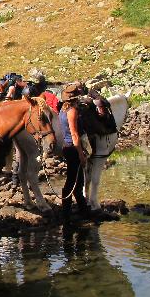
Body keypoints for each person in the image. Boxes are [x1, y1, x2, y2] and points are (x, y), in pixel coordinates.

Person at [59, 83, 89, 216]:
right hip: (72, 147)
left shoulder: (62, 110)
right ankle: (70, 211)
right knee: (74, 179)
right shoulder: (72, 111)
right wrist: (81, 155)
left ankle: (78, 208)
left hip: (66, 146)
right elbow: (74, 134)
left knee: (75, 179)